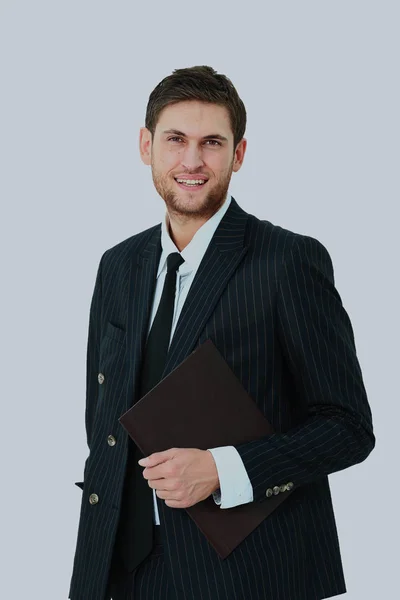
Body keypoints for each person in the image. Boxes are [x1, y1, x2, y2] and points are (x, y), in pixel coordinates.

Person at [68, 65, 375, 600]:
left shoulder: (289, 261)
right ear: (146, 146)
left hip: (246, 574)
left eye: (212, 142)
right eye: (175, 140)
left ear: (238, 154)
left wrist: (223, 469)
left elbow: (348, 426)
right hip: (117, 568)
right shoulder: (117, 265)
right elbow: (103, 421)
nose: (192, 161)